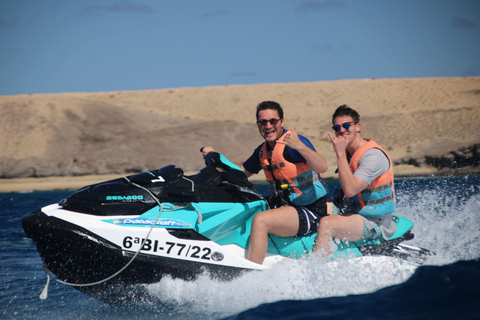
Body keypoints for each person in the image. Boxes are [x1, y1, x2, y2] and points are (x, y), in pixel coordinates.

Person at [202, 101, 328, 264]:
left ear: (282, 122)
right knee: (243, 207)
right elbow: (241, 174)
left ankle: (252, 271)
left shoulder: (293, 144)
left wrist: (299, 146)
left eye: (273, 121)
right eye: (263, 122)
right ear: (258, 124)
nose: (268, 126)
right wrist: (217, 158)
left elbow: (322, 166)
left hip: (311, 210)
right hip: (285, 207)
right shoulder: (263, 151)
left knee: (261, 220)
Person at [314, 104, 397, 258]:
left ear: (358, 127)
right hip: (355, 212)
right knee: (315, 206)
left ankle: (317, 270)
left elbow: (350, 190)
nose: (342, 130)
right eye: (337, 127)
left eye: (347, 125)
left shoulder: (372, 156)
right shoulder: (349, 153)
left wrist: (339, 153)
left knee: (327, 224)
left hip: (375, 223)